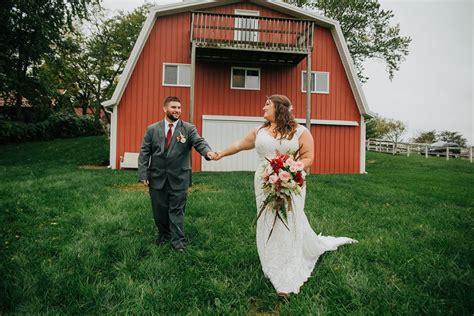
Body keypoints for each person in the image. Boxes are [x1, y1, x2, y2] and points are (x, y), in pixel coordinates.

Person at [212, 95, 358, 297]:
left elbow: (308, 158)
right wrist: (220, 153)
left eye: (268, 104)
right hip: (264, 182)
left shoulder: (301, 132)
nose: (263, 107)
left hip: (291, 181)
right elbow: (239, 145)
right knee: (268, 218)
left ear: (280, 108)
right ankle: (271, 262)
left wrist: (292, 169)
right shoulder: (259, 131)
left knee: (289, 220)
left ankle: (287, 275)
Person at [138, 96, 216, 252]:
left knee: (176, 210)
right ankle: (164, 235)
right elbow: (145, 152)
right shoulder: (152, 129)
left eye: (179, 108)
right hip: (157, 176)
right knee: (159, 210)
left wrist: (207, 153)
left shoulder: (188, 128)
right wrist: (143, 174)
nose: (177, 110)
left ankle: (178, 242)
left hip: (179, 177)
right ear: (165, 109)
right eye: (174, 107)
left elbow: (199, 142)